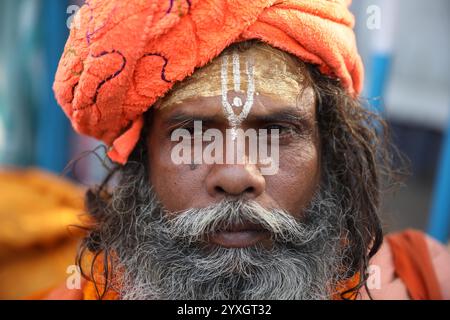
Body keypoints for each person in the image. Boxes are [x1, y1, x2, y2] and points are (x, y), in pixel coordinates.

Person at [44, 0, 449, 300]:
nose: (236, 175)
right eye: (196, 133)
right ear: (141, 158)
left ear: (331, 151)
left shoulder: (423, 280)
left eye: (276, 131)